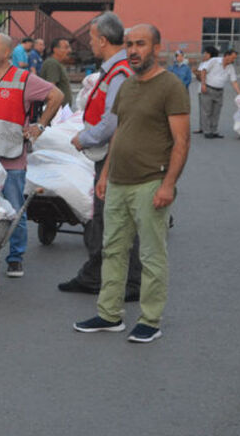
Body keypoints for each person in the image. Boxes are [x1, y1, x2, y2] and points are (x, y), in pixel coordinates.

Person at [74, 24, 190, 343]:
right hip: (118, 183)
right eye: (129, 44)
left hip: (151, 181)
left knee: (151, 255)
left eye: (141, 44)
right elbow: (120, 132)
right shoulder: (126, 86)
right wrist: (106, 173)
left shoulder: (170, 86)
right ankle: (109, 314)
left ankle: (150, 319)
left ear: (156, 48)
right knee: (113, 250)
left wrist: (168, 184)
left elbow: (181, 141)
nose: (134, 50)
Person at [0, 33, 64, 278]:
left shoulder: (23, 78)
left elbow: (56, 96)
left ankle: (15, 257)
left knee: (15, 208)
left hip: (12, 156)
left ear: (7, 53)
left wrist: (39, 125)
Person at [57, 12, 142, 301]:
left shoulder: (119, 73)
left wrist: (84, 138)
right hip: (114, 152)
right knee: (106, 218)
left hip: (115, 155)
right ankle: (97, 275)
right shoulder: (116, 69)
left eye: (92, 38)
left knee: (114, 217)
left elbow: (112, 121)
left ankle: (130, 282)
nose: (90, 43)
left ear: (103, 40)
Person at [197, 49, 240, 139]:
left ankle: (214, 131)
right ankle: (207, 131)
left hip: (219, 91)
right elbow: (203, 71)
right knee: (206, 111)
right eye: (232, 58)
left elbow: (234, 82)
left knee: (216, 112)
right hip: (208, 89)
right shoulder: (214, 61)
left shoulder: (230, 67)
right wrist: (203, 84)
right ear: (227, 55)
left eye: (234, 59)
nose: (233, 60)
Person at [39, 37, 73, 107]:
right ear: (55, 50)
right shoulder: (52, 63)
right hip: (57, 113)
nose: (70, 50)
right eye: (66, 48)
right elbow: (51, 90)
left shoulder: (57, 63)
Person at [193, 46, 219, 134]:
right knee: (203, 110)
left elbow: (205, 77)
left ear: (210, 54)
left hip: (208, 88)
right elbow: (199, 77)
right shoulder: (203, 63)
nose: (204, 55)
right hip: (201, 88)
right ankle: (202, 127)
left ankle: (209, 129)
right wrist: (196, 73)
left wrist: (197, 73)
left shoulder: (213, 64)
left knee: (210, 111)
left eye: (206, 53)